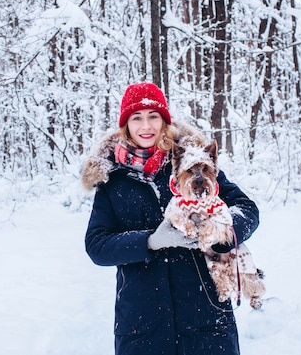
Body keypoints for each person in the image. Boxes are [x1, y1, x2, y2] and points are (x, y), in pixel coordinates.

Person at [82, 82, 260, 355]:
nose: (146, 126)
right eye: (136, 118)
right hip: (143, 325)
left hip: (206, 316)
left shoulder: (193, 163)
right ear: (125, 125)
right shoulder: (112, 180)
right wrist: (150, 241)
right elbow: (97, 246)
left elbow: (246, 209)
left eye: (153, 116)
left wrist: (219, 232)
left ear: (164, 121)